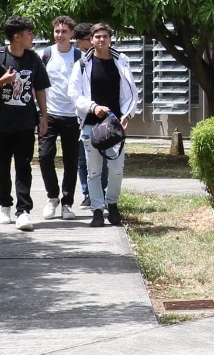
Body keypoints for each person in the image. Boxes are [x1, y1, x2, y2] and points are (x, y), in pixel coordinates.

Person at [0, 15, 49, 229]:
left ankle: (23, 211)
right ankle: (4, 205)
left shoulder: (33, 58)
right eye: (29, 33)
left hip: (25, 123)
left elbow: (40, 88)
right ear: (17, 37)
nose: (33, 36)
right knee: (2, 166)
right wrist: (4, 80)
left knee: (23, 166)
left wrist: (44, 116)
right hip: (1, 123)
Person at [68, 22, 141, 227]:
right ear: (91, 40)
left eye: (105, 36)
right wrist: (93, 107)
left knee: (117, 169)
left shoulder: (121, 61)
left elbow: (132, 92)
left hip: (115, 125)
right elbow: (74, 93)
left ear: (110, 39)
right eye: (97, 36)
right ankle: (97, 210)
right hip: (91, 125)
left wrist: (127, 115)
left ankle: (113, 204)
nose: (101, 40)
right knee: (94, 171)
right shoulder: (82, 64)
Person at [38, 15, 83, 220]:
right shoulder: (45, 54)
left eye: (64, 31)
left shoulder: (80, 57)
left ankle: (67, 203)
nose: (60, 35)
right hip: (49, 114)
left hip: (73, 116)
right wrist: (40, 113)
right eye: (57, 31)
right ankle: (52, 197)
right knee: (45, 155)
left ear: (71, 33)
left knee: (71, 161)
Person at [72, 21, 97, 207]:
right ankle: (87, 192)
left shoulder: (105, 58)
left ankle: (101, 192)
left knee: (102, 157)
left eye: (82, 40)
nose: (80, 44)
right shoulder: (79, 61)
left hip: (99, 116)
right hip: (80, 115)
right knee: (82, 158)